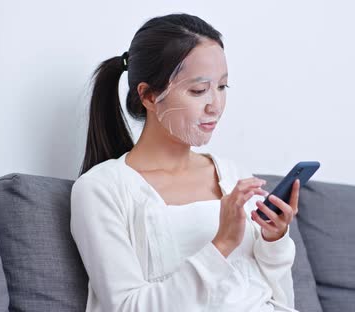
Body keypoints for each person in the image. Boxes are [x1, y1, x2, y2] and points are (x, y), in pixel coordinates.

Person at [70, 13, 301, 312]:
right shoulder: (101, 189)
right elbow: (127, 306)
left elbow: (282, 301)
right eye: (198, 90)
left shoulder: (233, 176)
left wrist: (274, 240)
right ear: (149, 96)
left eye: (222, 87)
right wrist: (221, 245)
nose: (215, 105)